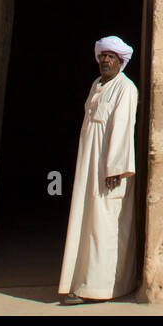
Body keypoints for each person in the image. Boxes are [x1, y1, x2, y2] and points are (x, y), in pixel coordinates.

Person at [58, 35, 138, 305]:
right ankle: (82, 282)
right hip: (89, 167)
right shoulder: (97, 85)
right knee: (87, 222)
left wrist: (115, 167)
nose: (105, 60)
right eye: (103, 56)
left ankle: (101, 288)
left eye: (111, 57)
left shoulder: (126, 88)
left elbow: (123, 127)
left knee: (104, 226)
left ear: (120, 61)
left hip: (109, 171)